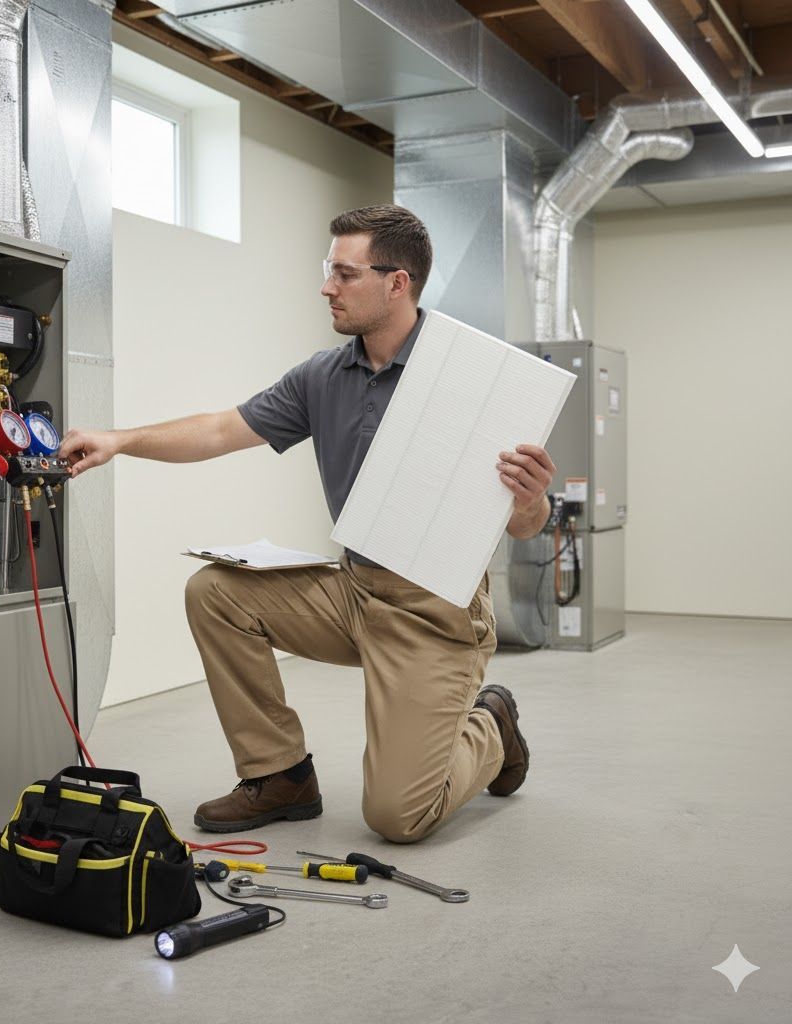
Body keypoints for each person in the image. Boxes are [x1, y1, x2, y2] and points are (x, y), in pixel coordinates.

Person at [59, 205, 555, 844]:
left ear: (396, 283)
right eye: (329, 271)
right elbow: (218, 429)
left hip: (434, 613)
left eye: (344, 274)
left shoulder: (473, 380)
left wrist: (529, 501)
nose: (327, 287)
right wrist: (119, 440)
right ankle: (280, 774)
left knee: (399, 818)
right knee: (215, 592)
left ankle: (491, 723)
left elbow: (524, 525)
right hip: (354, 592)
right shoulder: (324, 376)